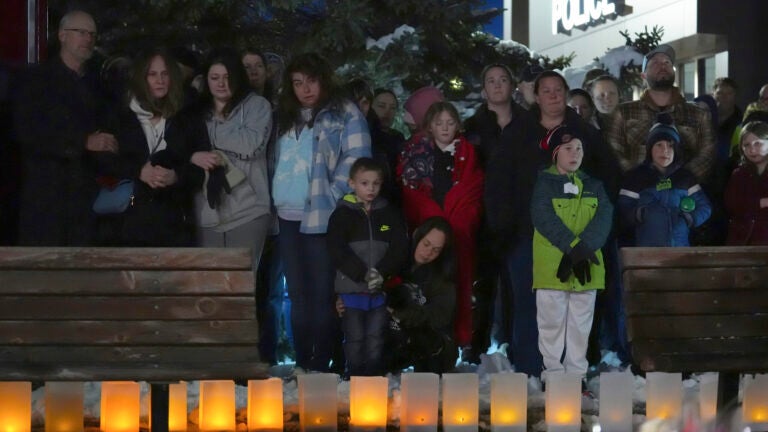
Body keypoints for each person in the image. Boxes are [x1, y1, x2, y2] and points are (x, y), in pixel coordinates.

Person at [486, 70, 622, 384]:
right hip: (525, 236)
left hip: (577, 239)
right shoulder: (518, 131)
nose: (552, 95)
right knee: (529, 306)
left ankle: (571, 374)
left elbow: (608, 179)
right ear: (536, 95)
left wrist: (593, 230)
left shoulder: (584, 133)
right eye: (545, 90)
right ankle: (532, 372)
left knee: (575, 310)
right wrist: (502, 227)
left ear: (565, 93)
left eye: (557, 89)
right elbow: (498, 182)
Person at [272, 52, 371, 372]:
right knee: (297, 295)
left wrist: (330, 194)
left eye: (311, 81)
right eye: (298, 83)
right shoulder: (284, 114)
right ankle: (302, 362)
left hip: (322, 216)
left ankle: (320, 362)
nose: (305, 89)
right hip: (284, 214)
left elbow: (357, 158)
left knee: (322, 294)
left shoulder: (344, 113)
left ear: (324, 79)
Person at [13, 10, 117, 246]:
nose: (88, 39)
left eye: (92, 34)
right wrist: (83, 142)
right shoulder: (35, 81)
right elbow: (27, 132)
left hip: (88, 204)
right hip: (46, 202)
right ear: (62, 35)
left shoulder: (100, 86)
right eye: (80, 32)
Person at [398, 101, 484, 359]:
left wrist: (457, 218)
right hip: (427, 228)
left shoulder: (468, 152)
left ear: (457, 125)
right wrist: (433, 218)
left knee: (455, 282)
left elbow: (473, 189)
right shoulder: (415, 152)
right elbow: (408, 190)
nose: (445, 128)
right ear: (430, 126)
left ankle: (452, 342)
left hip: (457, 230)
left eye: (450, 122)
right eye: (439, 122)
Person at [95, 49, 204, 246]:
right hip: (126, 224)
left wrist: (176, 176)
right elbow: (103, 160)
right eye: (152, 74)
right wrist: (138, 170)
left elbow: (200, 168)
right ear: (141, 77)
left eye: (165, 74)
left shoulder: (187, 116)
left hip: (174, 223)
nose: (160, 80)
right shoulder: (120, 114)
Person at [531, 124, 613, 384]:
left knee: (580, 326)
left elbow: (604, 218)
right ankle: (553, 375)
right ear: (555, 153)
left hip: (587, 266)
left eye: (578, 148)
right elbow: (544, 219)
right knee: (551, 325)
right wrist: (573, 247)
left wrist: (583, 248)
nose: (575, 153)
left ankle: (576, 376)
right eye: (568, 148)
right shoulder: (544, 183)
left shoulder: (594, 185)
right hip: (552, 269)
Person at [191, 47, 273, 288]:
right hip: (207, 211)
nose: (221, 84)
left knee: (241, 287)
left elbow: (251, 144)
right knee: (210, 286)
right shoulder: (196, 111)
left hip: (248, 210)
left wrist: (205, 138)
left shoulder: (258, 105)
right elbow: (182, 146)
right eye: (215, 78)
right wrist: (193, 153)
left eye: (227, 77)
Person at [463, 62, 527, 363]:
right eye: (491, 80)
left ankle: (516, 345)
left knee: (518, 286)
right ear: (484, 88)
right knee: (483, 285)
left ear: (512, 86)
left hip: (520, 215)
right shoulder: (474, 126)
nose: (498, 85)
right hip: (484, 217)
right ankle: (475, 348)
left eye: (503, 79)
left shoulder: (528, 122)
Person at [327, 158, 408, 376]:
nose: (370, 188)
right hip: (352, 290)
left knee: (375, 337)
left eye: (375, 183)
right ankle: (354, 377)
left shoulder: (389, 214)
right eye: (364, 183)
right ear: (351, 183)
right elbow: (337, 250)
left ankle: (373, 378)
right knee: (354, 338)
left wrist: (382, 273)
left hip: (379, 291)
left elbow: (399, 247)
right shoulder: (342, 215)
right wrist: (362, 273)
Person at [605, 44, 716, 182]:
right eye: (655, 63)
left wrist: (682, 180)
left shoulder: (699, 114)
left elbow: (708, 153)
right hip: (638, 196)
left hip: (686, 197)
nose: (662, 65)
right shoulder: (623, 113)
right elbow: (614, 152)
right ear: (643, 75)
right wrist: (639, 179)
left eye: (667, 62)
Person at [618, 114, 712, 247]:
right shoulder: (635, 177)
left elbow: (705, 207)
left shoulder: (685, 177)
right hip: (646, 251)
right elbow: (622, 209)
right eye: (659, 145)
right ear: (650, 148)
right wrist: (639, 214)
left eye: (670, 146)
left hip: (680, 250)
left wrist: (690, 218)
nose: (665, 151)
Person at [385, 216, 458, 374]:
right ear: (417, 236)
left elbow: (439, 315)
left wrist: (401, 315)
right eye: (426, 244)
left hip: (426, 341)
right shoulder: (395, 259)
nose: (428, 252)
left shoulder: (442, 278)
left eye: (436, 250)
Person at [724, 121, 768, 245]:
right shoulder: (739, 174)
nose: (752, 149)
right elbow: (732, 204)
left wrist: (750, 205)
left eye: (758, 143)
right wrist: (762, 202)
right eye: (746, 145)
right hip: (741, 241)